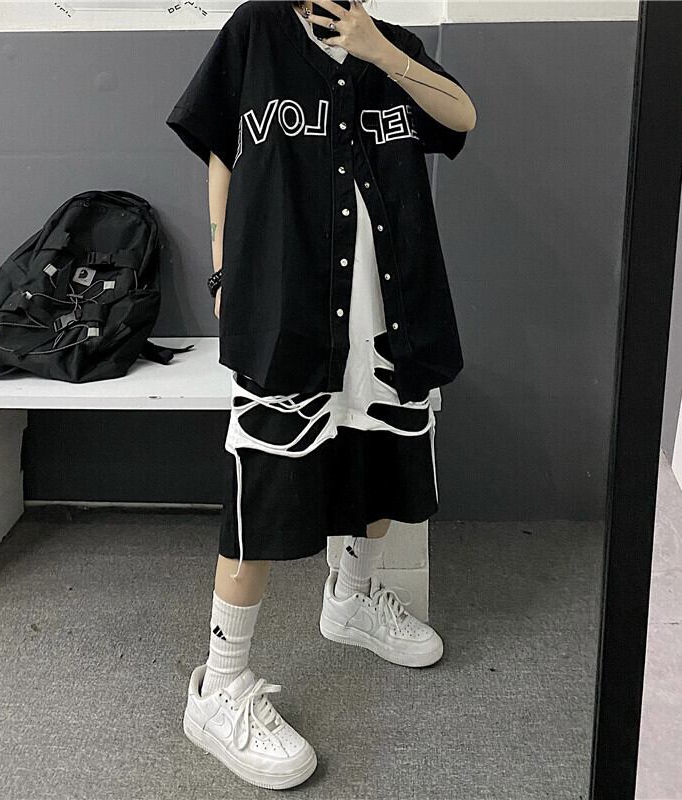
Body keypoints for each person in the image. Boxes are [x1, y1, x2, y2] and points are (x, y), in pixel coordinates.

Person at [167, 0, 476, 789]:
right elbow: (224, 150)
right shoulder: (257, 31)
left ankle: (352, 598)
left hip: (389, 315)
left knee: (381, 458)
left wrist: (379, 50)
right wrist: (221, 264)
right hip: (290, 312)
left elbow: (461, 116)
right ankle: (220, 686)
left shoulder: (394, 46)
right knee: (263, 490)